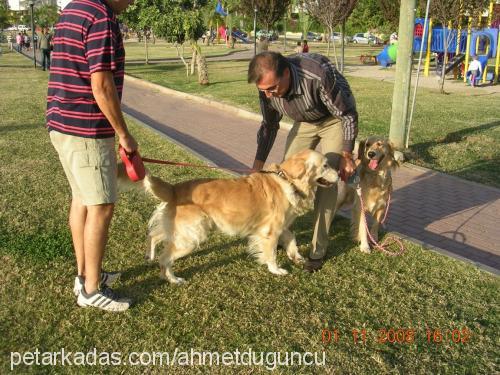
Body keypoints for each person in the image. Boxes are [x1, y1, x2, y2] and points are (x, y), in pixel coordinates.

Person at [47, 0, 138, 311]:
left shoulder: (73, 8)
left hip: (61, 123)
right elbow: (101, 85)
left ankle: (86, 274)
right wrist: (123, 135)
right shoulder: (102, 17)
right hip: (86, 128)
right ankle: (91, 290)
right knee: (101, 205)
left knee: (83, 200)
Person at [247, 52, 358, 272]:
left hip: (333, 119)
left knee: (327, 179)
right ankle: (278, 233)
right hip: (304, 121)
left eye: (273, 88)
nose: (269, 95)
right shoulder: (266, 89)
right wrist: (257, 166)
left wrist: (346, 155)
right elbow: (269, 126)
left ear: (286, 73)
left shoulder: (317, 75)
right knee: (284, 175)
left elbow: (347, 115)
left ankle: (318, 250)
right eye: (264, 91)